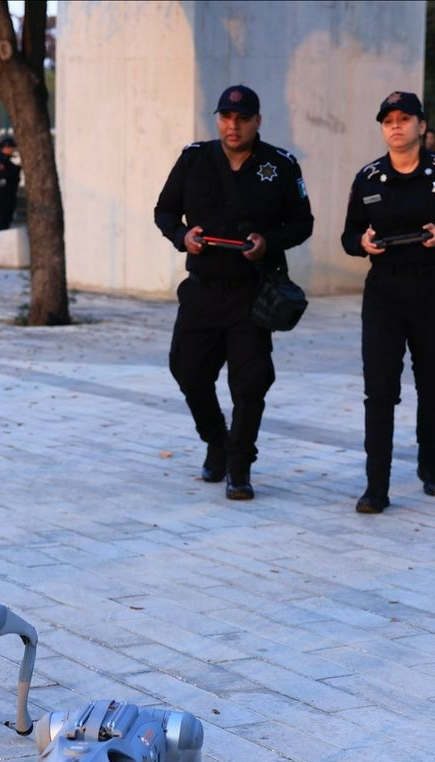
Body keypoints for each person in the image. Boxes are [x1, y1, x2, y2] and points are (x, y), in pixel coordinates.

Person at [153, 84, 314, 501]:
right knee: (187, 371)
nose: (233, 125)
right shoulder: (194, 159)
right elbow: (164, 210)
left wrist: (268, 242)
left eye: (242, 118)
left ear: (257, 121)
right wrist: (182, 236)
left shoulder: (280, 165)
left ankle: (239, 467)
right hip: (202, 289)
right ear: (218, 119)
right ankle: (216, 441)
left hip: (251, 293)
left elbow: (303, 223)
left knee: (250, 383)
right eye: (226, 117)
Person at [341, 91, 435, 515]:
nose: (395, 126)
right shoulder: (368, 177)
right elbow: (348, 236)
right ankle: (376, 485)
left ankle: (429, 465)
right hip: (385, 292)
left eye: (404, 119)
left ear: (422, 125)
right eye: (388, 121)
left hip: (434, 290)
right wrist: (362, 242)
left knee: (432, 385)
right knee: (380, 390)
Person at [0, 134, 21, 232]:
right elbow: (3, 173)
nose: (12, 150)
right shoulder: (0, 159)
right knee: (4, 218)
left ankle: (2, 234)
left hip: (9, 191)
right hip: (4, 192)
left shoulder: (6, 159)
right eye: (11, 148)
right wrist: (16, 169)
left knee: (7, 218)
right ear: (5, 148)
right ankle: (0, 236)